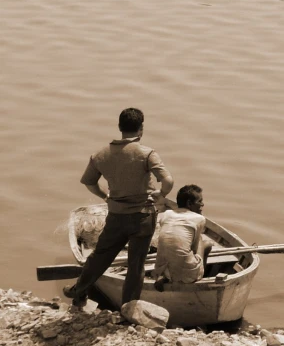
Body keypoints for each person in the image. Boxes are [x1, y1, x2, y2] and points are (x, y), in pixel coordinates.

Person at [63, 108, 173, 307]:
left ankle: (78, 290)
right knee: (136, 265)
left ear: (120, 128)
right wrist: (161, 194)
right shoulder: (147, 153)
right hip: (143, 217)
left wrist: (105, 196)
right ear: (141, 129)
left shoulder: (100, 155)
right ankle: (129, 308)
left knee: (100, 256)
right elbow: (168, 180)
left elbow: (89, 183)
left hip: (117, 216)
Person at [152, 184, 213, 291]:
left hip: (161, 270)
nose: (202, 204)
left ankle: (167, 276)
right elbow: (194, 249)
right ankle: (201, 275)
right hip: (187, 276)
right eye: (199, 201)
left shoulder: (166, 214)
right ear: (189, 203)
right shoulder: (199, 219)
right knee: (205, 243)